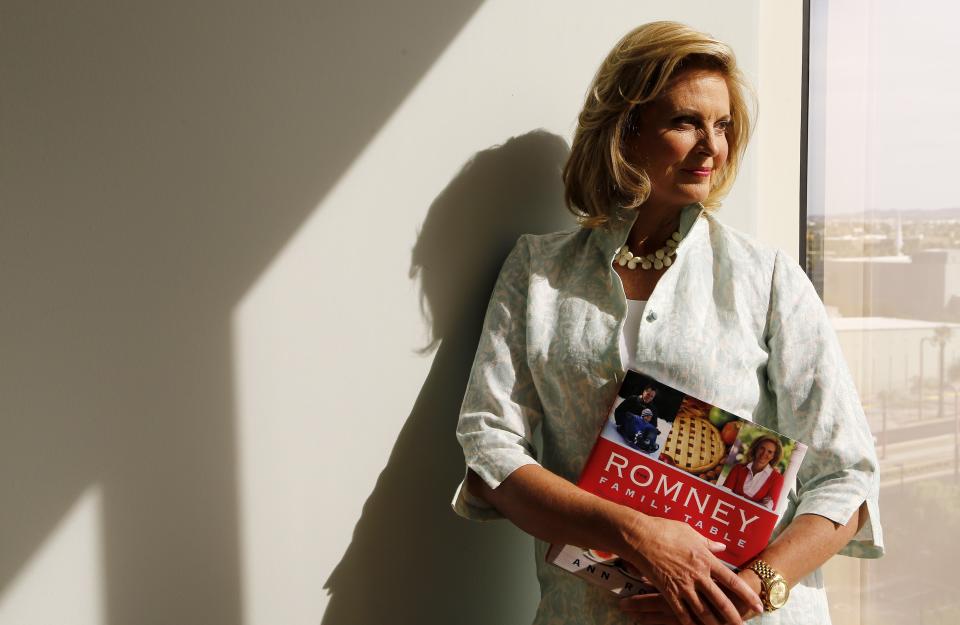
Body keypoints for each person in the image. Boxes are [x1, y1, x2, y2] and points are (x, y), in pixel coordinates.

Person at [452, 21, 883, 625]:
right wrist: (639, 535)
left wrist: (742, 592)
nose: (713, 145)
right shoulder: (537, 271)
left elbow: (848, 477)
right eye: (686, 122)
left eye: (724, 125)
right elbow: (489, 448)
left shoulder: (768, 279)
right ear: (624, 129)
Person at [723, 436, 786, 510]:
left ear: (773, 456)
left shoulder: (777, 479)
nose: (764, 454)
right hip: (726, 509)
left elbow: (769, 509)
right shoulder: (738, 468)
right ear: (756, 448)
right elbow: (724, 492)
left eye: (770, 452)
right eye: (762, 448)